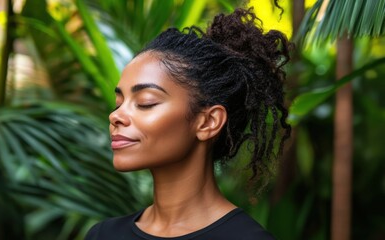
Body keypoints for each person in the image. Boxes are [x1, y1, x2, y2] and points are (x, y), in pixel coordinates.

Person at [85, 7, 291, 240]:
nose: (116, 116)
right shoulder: (103, 235)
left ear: (208, 122)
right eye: (119, 103)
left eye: (145, 102)